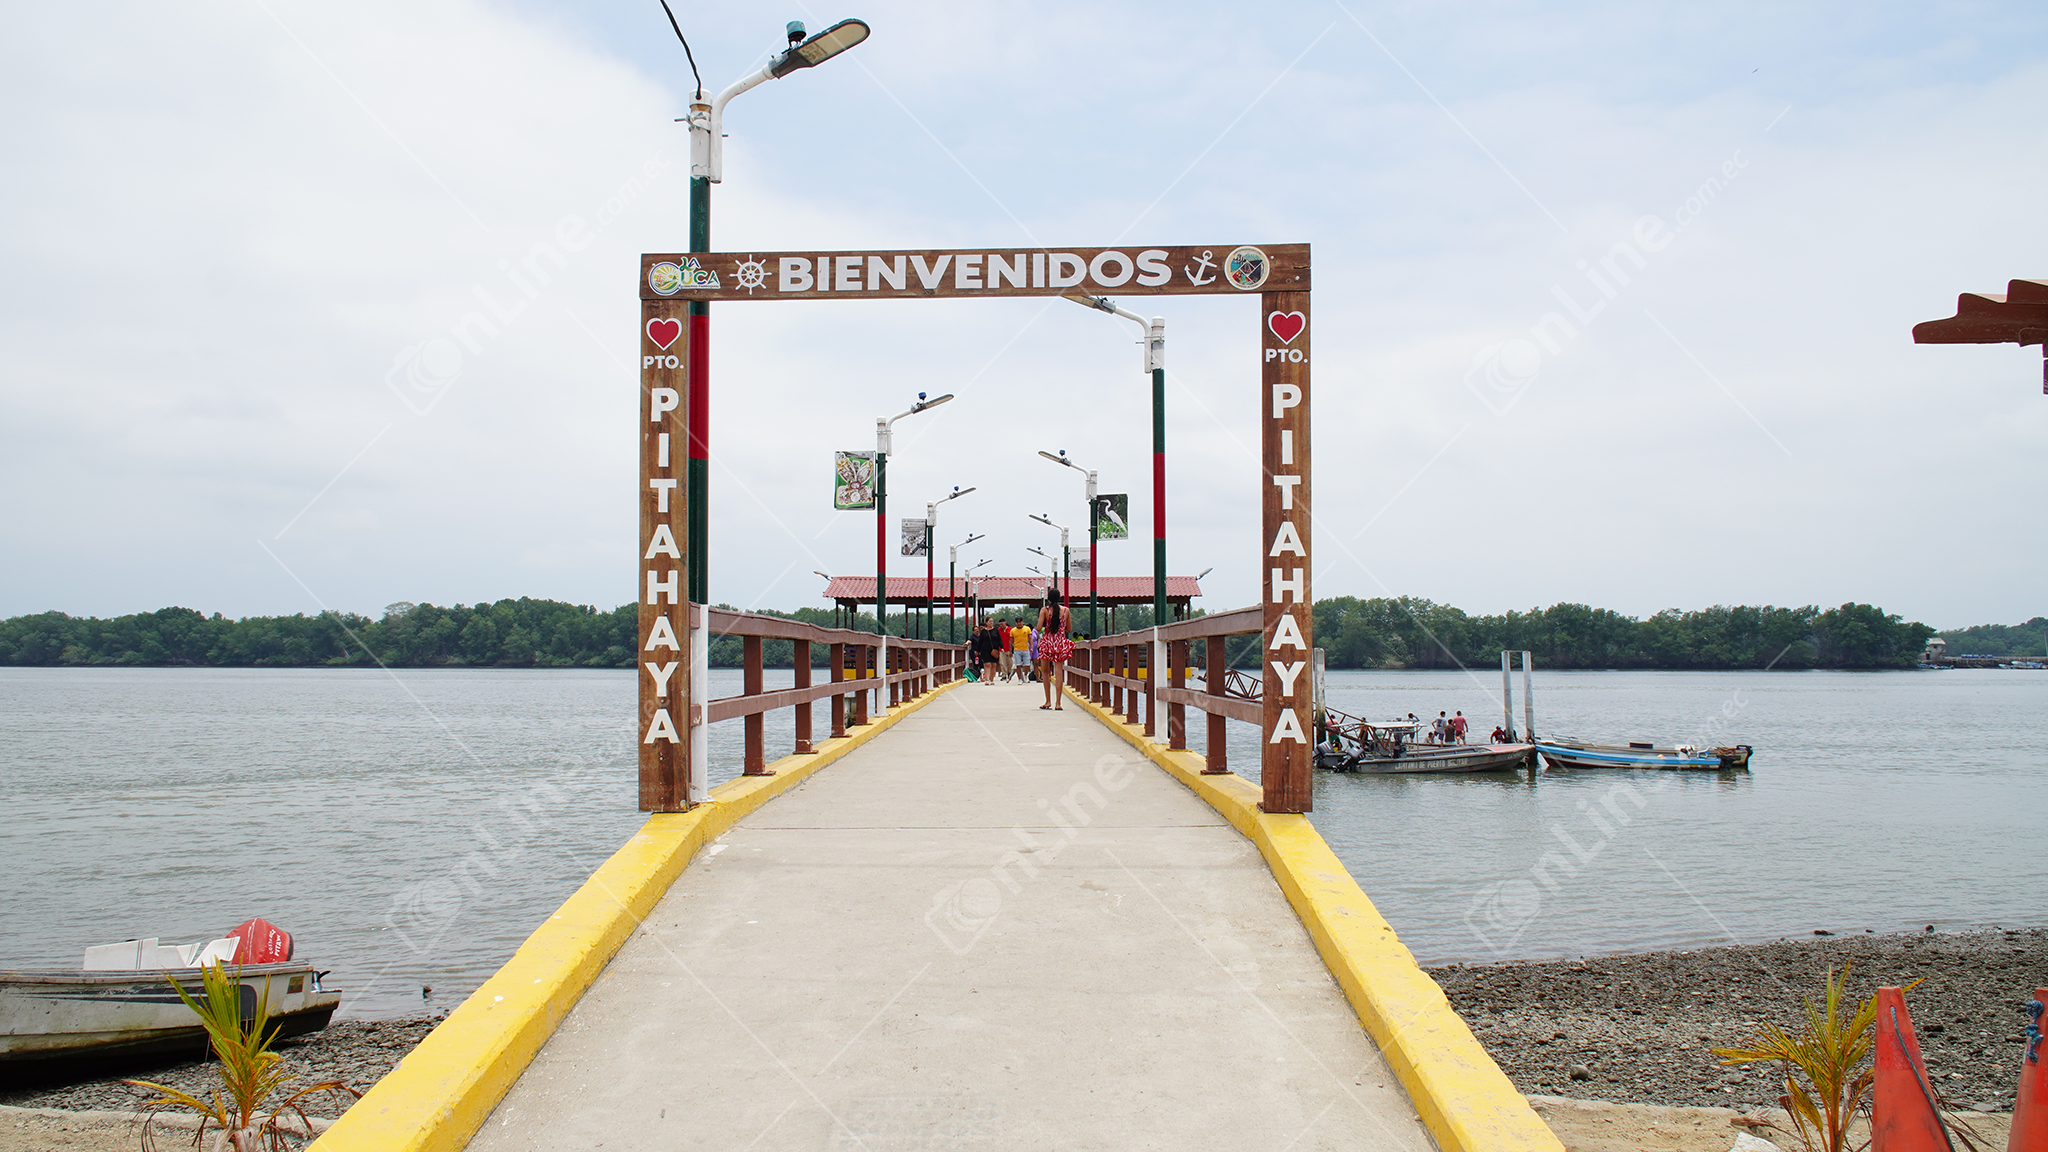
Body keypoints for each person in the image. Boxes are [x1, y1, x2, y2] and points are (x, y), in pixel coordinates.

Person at [1036, 584, 1073, 709]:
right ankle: (1058, 703)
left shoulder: (1044, 610)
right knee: (1058, 672)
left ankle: (1048, 701)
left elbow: (1039, 627)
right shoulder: (1066, 611)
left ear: (1049, 599)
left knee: (1045, 672)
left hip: (1047, 641)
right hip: (1060, 642)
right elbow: (1068, 629)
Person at [1009, 619, 1032, 683]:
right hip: (1017, 650)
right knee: (1018, 665)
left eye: (1020, 622)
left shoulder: (1027, 629)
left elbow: (1030, 638)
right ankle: (1020, 679)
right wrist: (1010, 650)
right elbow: (1011, 641)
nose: (1019, 623)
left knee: (1027, 665)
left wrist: (1031, 647)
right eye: (1017, 622)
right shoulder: (1013, 630)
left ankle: (1025, 675)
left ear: (1022, 622)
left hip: (1025, 649)